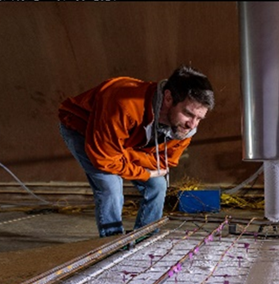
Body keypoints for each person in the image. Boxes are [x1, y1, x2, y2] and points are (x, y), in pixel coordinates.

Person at [58, 66, 214, 237]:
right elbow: (104, 158)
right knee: (110, 188)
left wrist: (126, 156)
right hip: (85, 129)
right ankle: (113, 244)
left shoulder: (185, 128)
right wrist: (144, 173)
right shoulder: (124, 105)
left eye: (199, 118)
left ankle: (144, 238)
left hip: (125, 144)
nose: (193, 125)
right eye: (188, 114)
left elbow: (164, 162)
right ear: (168, 98)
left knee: (159, 185)